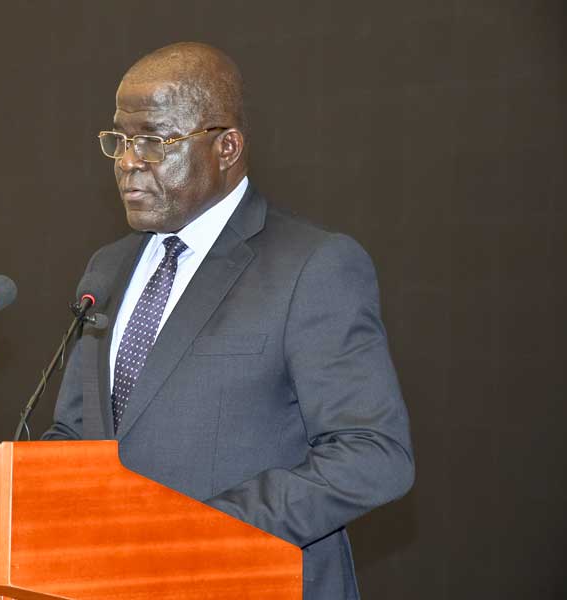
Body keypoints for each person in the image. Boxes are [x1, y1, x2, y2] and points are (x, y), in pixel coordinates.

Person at [42, 42, 414, 600]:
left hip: (249, 581)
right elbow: (76, 436)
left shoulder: (311, 266)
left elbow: (373, 454)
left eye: (153, 141)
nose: (127, 162)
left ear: (227, 147)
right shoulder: (108, 268)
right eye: (119, 140)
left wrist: (201, 531)